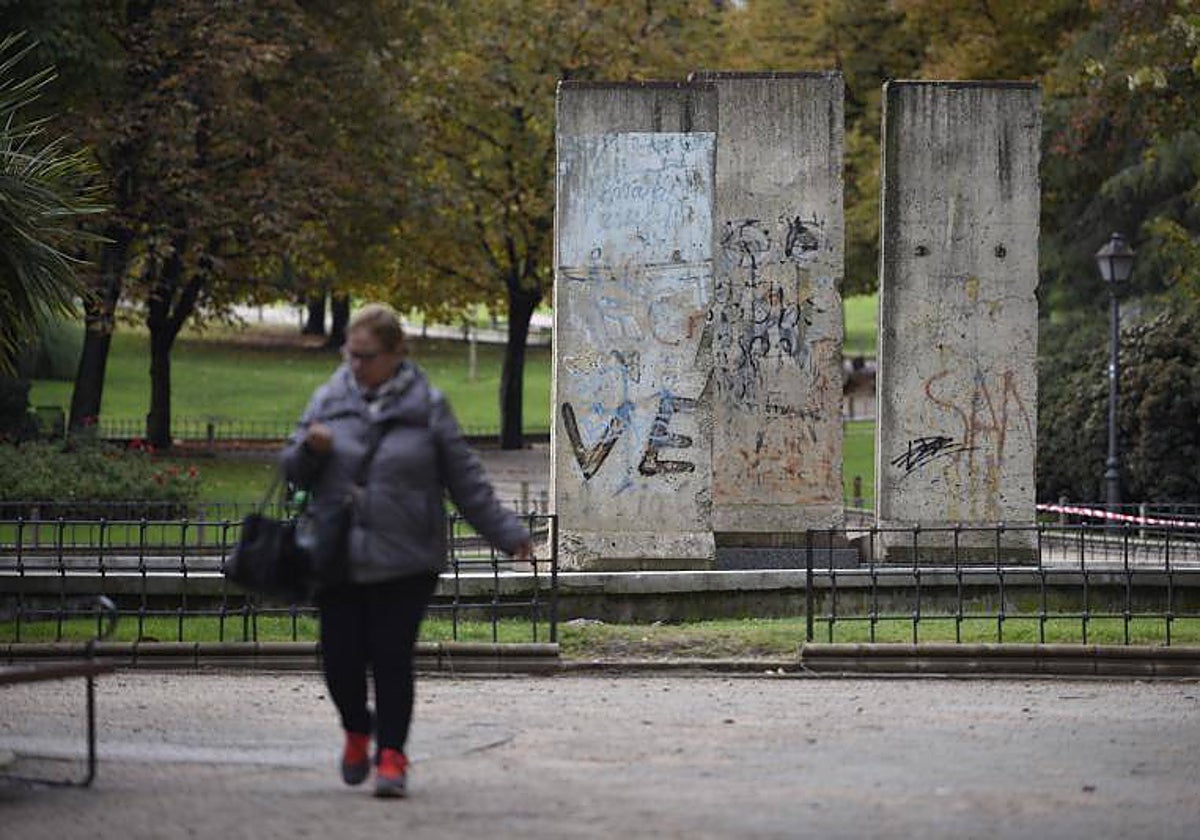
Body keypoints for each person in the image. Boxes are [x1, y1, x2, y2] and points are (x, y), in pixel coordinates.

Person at [281, 303, 531, 798]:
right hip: (339, 553)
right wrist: (310, 449)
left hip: (407, 555)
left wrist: (507, 532)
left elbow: (465, 479)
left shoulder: (428, 407)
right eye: (350, 354)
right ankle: (358, 728)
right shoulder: (329, 398)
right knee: (340, 659)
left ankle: (392, 755)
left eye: (367, 356)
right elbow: (291, 469)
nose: (355, 365)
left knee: (391, 657)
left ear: (396, 353)